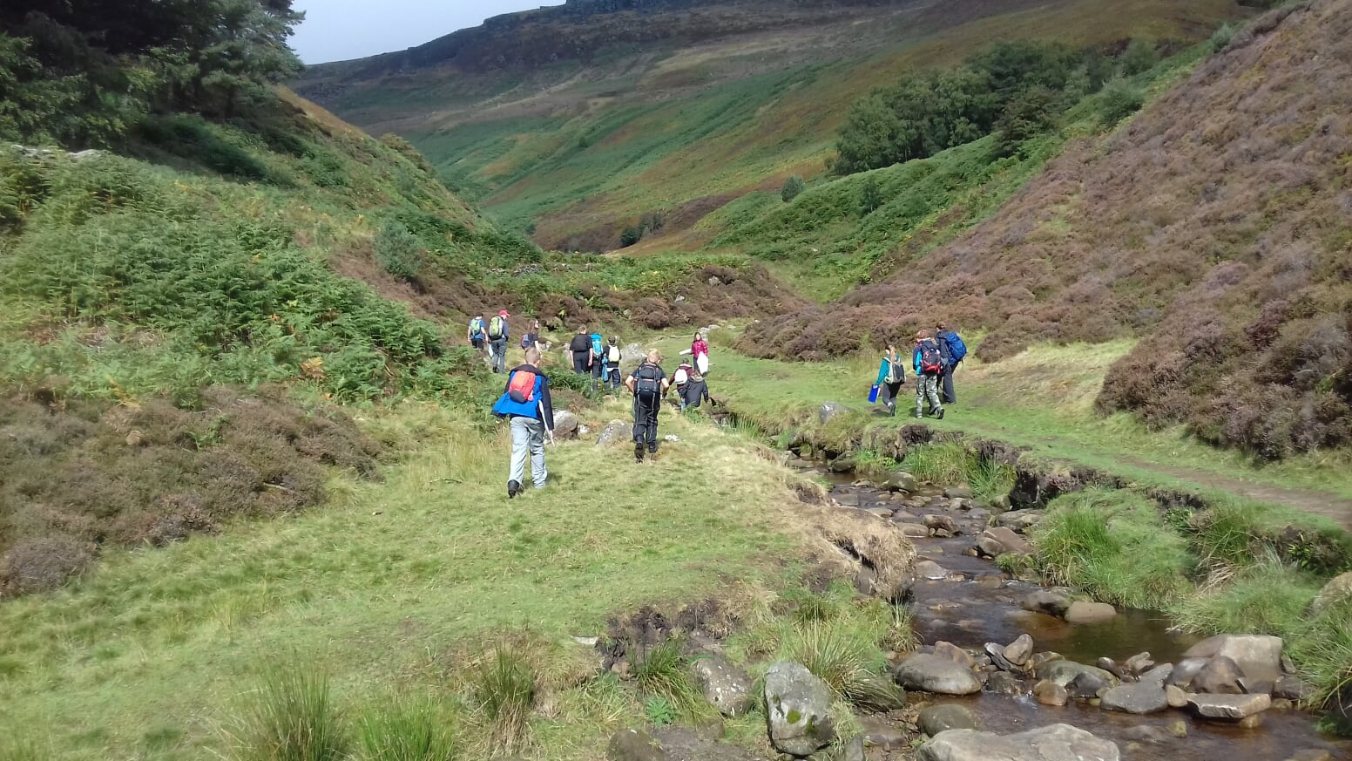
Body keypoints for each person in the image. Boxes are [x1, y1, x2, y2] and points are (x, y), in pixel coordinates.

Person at [490, 346, 555, 498]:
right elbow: (546, 402)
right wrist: (550, 426)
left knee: (518, 449)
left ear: (525, 359)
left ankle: (513, 481)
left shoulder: (514, 373)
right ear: (538, 361)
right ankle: (539, 483)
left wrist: (501, 414)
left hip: (516, 416)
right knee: (536, 448)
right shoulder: (540, 376)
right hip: (533, 416)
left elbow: (507, 393)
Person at [625, 350, 669, 462]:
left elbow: (627, 381)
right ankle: (652, 445)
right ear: (658, 360)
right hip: (654, 398)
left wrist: (634, 392)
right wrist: (664, 393)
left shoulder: (639, 369)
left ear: (648, 358)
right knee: (652, 419)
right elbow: (666, 385)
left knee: (640, 418)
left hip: (640, 397)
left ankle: (639, 440)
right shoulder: (659, 371)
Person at [913, 330, 946, 420]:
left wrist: (918, 368)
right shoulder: (933, 345)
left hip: (922, 372)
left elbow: (915, 363)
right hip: (933, 371)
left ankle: (919, 414)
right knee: (932, 392)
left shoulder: (918, 347)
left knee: (920, 393)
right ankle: (939, 408)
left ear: (919, 338)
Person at [935, 323, 967, 405]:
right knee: (945, 377)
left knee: (947, 379)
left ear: (937, 328)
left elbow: (942, 350)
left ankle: (950, 400)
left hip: (947, 360)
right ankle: (945, 397)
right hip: (955, 359)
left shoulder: (940, 337)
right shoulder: (951, 334)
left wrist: (942, 360)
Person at [874, 342, 905, 417]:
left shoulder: (886, 359)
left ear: (887, 350)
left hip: (889, 381)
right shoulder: (898, 357)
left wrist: (877, 383)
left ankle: (890, 406)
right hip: (898, 380)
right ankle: (892, 414)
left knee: (885, 398)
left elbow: (882, 373)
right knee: (893, 397)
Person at [486, 309, 510, 374]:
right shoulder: (504, 322)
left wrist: (491, 339)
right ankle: (501, 372)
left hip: (493, 340)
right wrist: (507, 339)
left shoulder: (493, 322)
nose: (507, 317)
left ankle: (494, 368)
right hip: (502, 340)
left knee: (495, 354)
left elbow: (489, 332)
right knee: (501, 355)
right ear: (503, 315)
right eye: (506, 316)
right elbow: (506, 333)